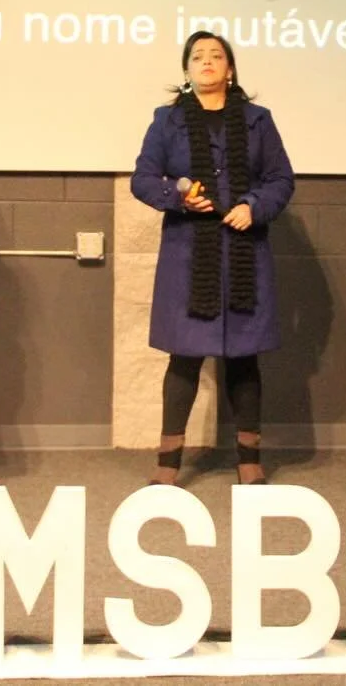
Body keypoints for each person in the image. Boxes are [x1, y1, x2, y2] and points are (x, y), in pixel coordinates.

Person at [131, 31, 295, 486]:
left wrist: (253, 207)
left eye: (215, 55)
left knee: (244, 359)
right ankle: (167, 466)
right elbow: (142, 179)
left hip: (245, 254)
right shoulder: (166, 121)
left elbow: (281, 179)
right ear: (186, 71)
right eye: (197, 57)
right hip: (189, 256)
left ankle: (249, 459)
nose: (206, 62)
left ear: (230, 69)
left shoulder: (258, 120)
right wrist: (177, 199)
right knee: (183, 359)